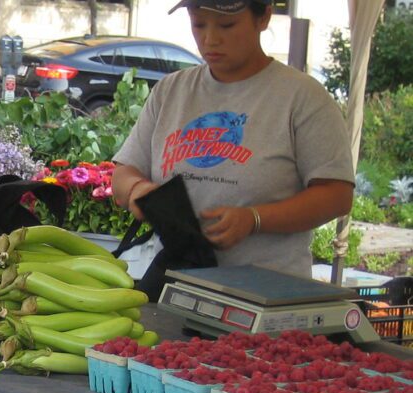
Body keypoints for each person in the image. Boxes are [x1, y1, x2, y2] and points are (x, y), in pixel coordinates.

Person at [111, 0, 354, 278]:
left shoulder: (303, 98)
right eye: (198, 24)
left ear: (263, 18)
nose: (210, 39)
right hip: (178, 285)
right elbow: (123, 174)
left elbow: (337, 195)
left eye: (227, 25)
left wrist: (255, 219)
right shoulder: (170, 91)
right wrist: (136, 190)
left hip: (266, 293)